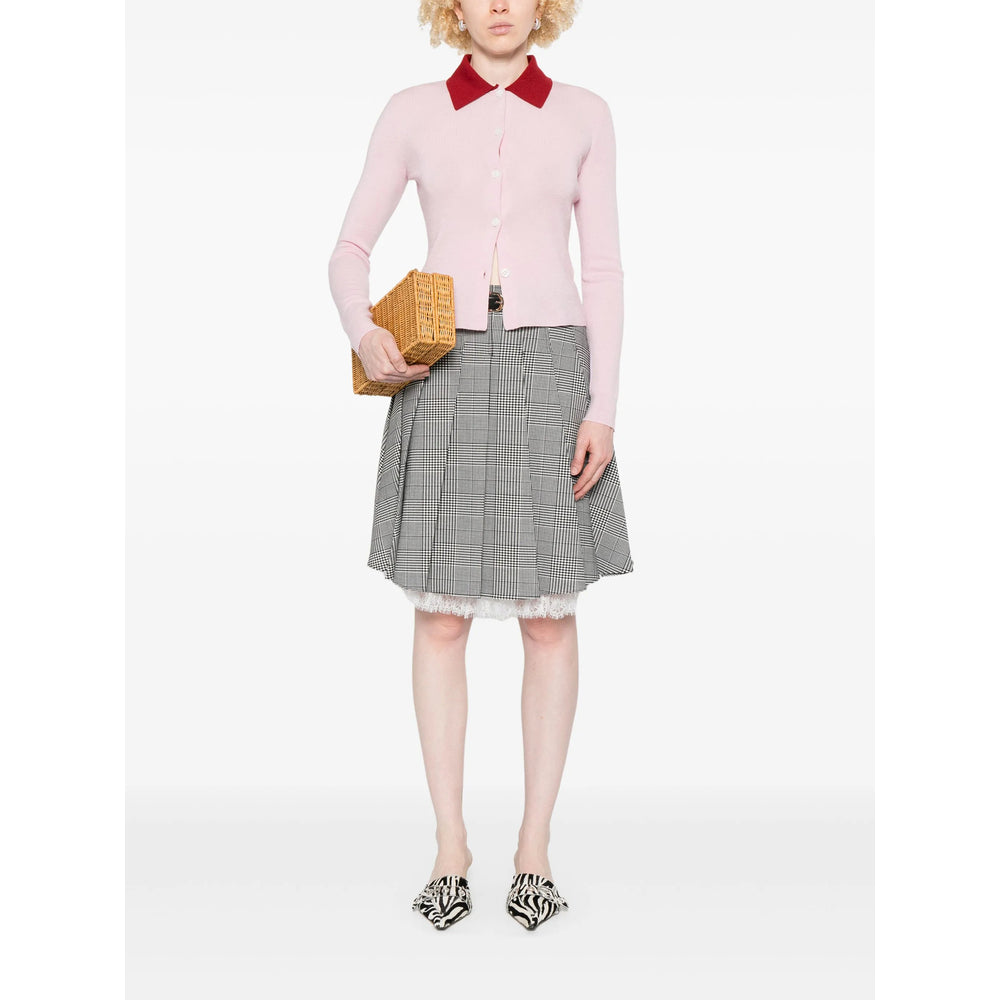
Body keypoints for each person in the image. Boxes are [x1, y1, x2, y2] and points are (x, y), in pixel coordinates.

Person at [328, 0, 634, 930]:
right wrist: (365, 331)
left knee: (550, 623)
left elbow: (604, 270)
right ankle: (450, 846)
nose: (499, 3)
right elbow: (348, 250)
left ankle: (534, 847)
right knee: (440, 619)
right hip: (443, 367)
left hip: (552, 370)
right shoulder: (412, 111)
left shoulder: (585, 113)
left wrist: (603, 406)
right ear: (449, 6)